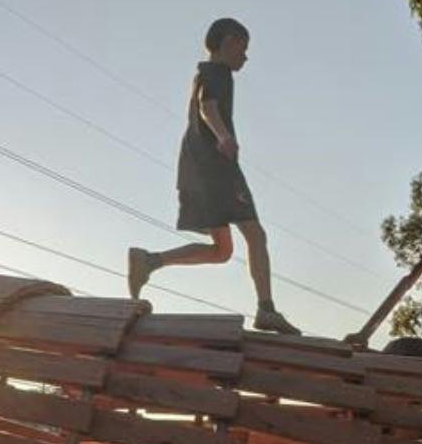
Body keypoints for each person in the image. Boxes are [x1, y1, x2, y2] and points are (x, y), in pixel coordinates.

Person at [127, 18, 300, 335]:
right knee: (255, 234)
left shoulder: (204, 74)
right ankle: (266, 309)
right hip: (216, 166)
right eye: (243, 48)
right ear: (229, 41)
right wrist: (224, 136)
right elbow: (208, 106)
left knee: (222, 251)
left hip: (196, 167)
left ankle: (149, 261)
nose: (245, 57)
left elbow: (203, 106)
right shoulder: (218, 73)